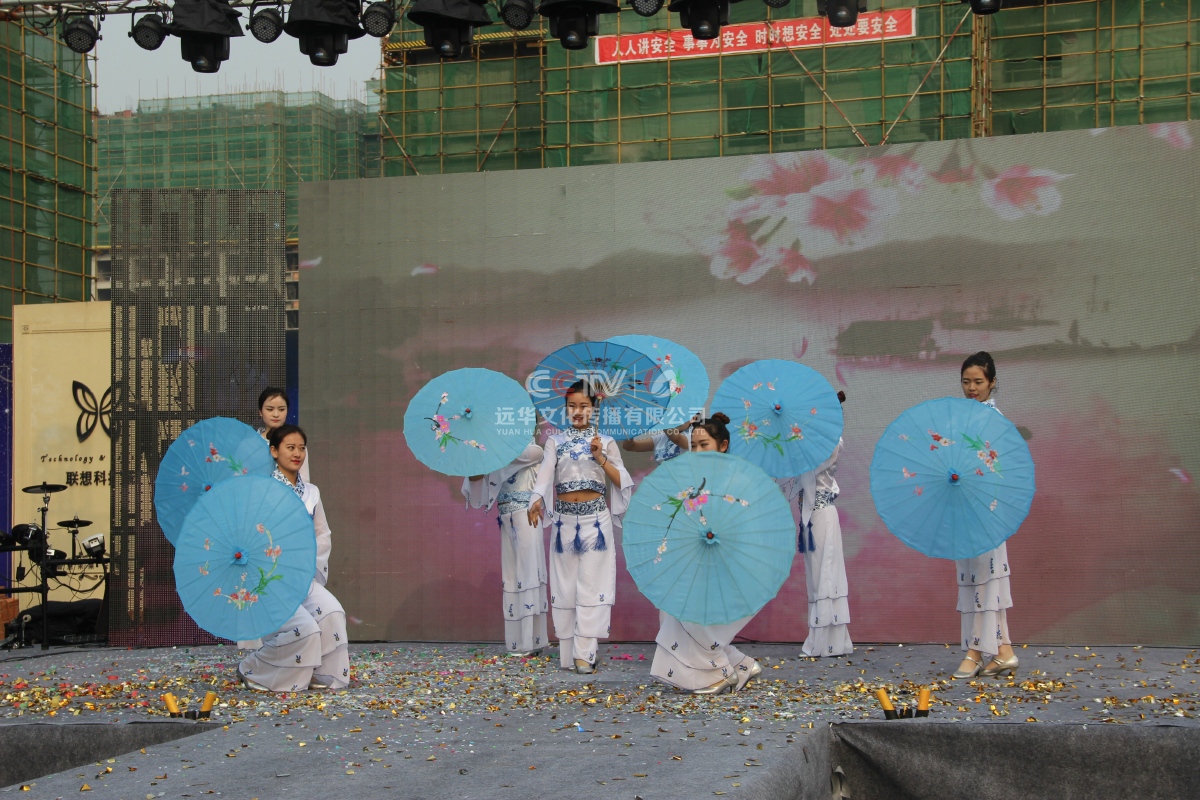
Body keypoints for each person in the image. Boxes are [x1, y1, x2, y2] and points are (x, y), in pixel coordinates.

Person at [649, 413, 765, 695]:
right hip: (692, 553)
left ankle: (719, 674)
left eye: (704, 445)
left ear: (723, 445)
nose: (698, 450)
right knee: (675, 610)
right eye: (694, 445)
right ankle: (740, 665)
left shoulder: (736, 478)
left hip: (721, 556)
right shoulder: (693, 478)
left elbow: (743, 520)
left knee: (695, 616)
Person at [528, 381, 633, 675]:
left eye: (584, 406)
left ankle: (585, 654)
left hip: (595, 522)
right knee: (565, 586)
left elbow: (622, 481)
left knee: (591, 585)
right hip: (564, 522)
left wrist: (600, 457)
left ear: (594, 409)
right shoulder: (555, 441)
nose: (577, 411)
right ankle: (568, 653)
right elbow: (545, 474)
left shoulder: (605, 442)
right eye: (572, 406)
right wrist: (536, 499)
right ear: (565, 409)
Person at [237, 424, 350, 692]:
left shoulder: (311, 493)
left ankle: (318, 671)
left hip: (302, 574)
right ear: (274, 451)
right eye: (290, 448)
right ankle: (252, 668)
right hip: (271, 577)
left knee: (333, 612)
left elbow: (322, 534)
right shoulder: (261, 490)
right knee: (304, 628)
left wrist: (308, 564)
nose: (297, 453)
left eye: (301, 448)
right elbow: (249, 534)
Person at [953, 351, 1019, 679]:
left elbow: (997, 467)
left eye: (978, 381)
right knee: (975, 577)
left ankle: (975, 651)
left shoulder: (993, 420)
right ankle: (1004, 652)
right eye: (966, 382)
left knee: (985, 578)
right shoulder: (963, 417)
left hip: (986, 509)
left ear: (992, 383)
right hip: (965, 506)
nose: (971, 388)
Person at [463, 441, 549, 657]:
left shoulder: (534, 450)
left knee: (529, 575)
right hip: (505, 517)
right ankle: (516, 643)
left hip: (527, 515)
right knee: (511, 577)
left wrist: (485, 450)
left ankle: (531, 641)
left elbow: (510, 455)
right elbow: (478, 485)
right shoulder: (497, 453)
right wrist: (473, 463)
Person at [796, 391, 852, 658]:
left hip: (821, 513)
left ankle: (825, 642)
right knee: (817, 576)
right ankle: (826, 640)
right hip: (811, 516)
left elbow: (808, 471)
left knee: (825, 575)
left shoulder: (831, 442)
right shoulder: (812, 443)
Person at [258, 387, 309, 483]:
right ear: (260, 411)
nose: (276, 414)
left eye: (281, 409)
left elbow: (305, 479)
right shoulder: (251, 444)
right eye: (270, 409)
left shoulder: (297, 440)